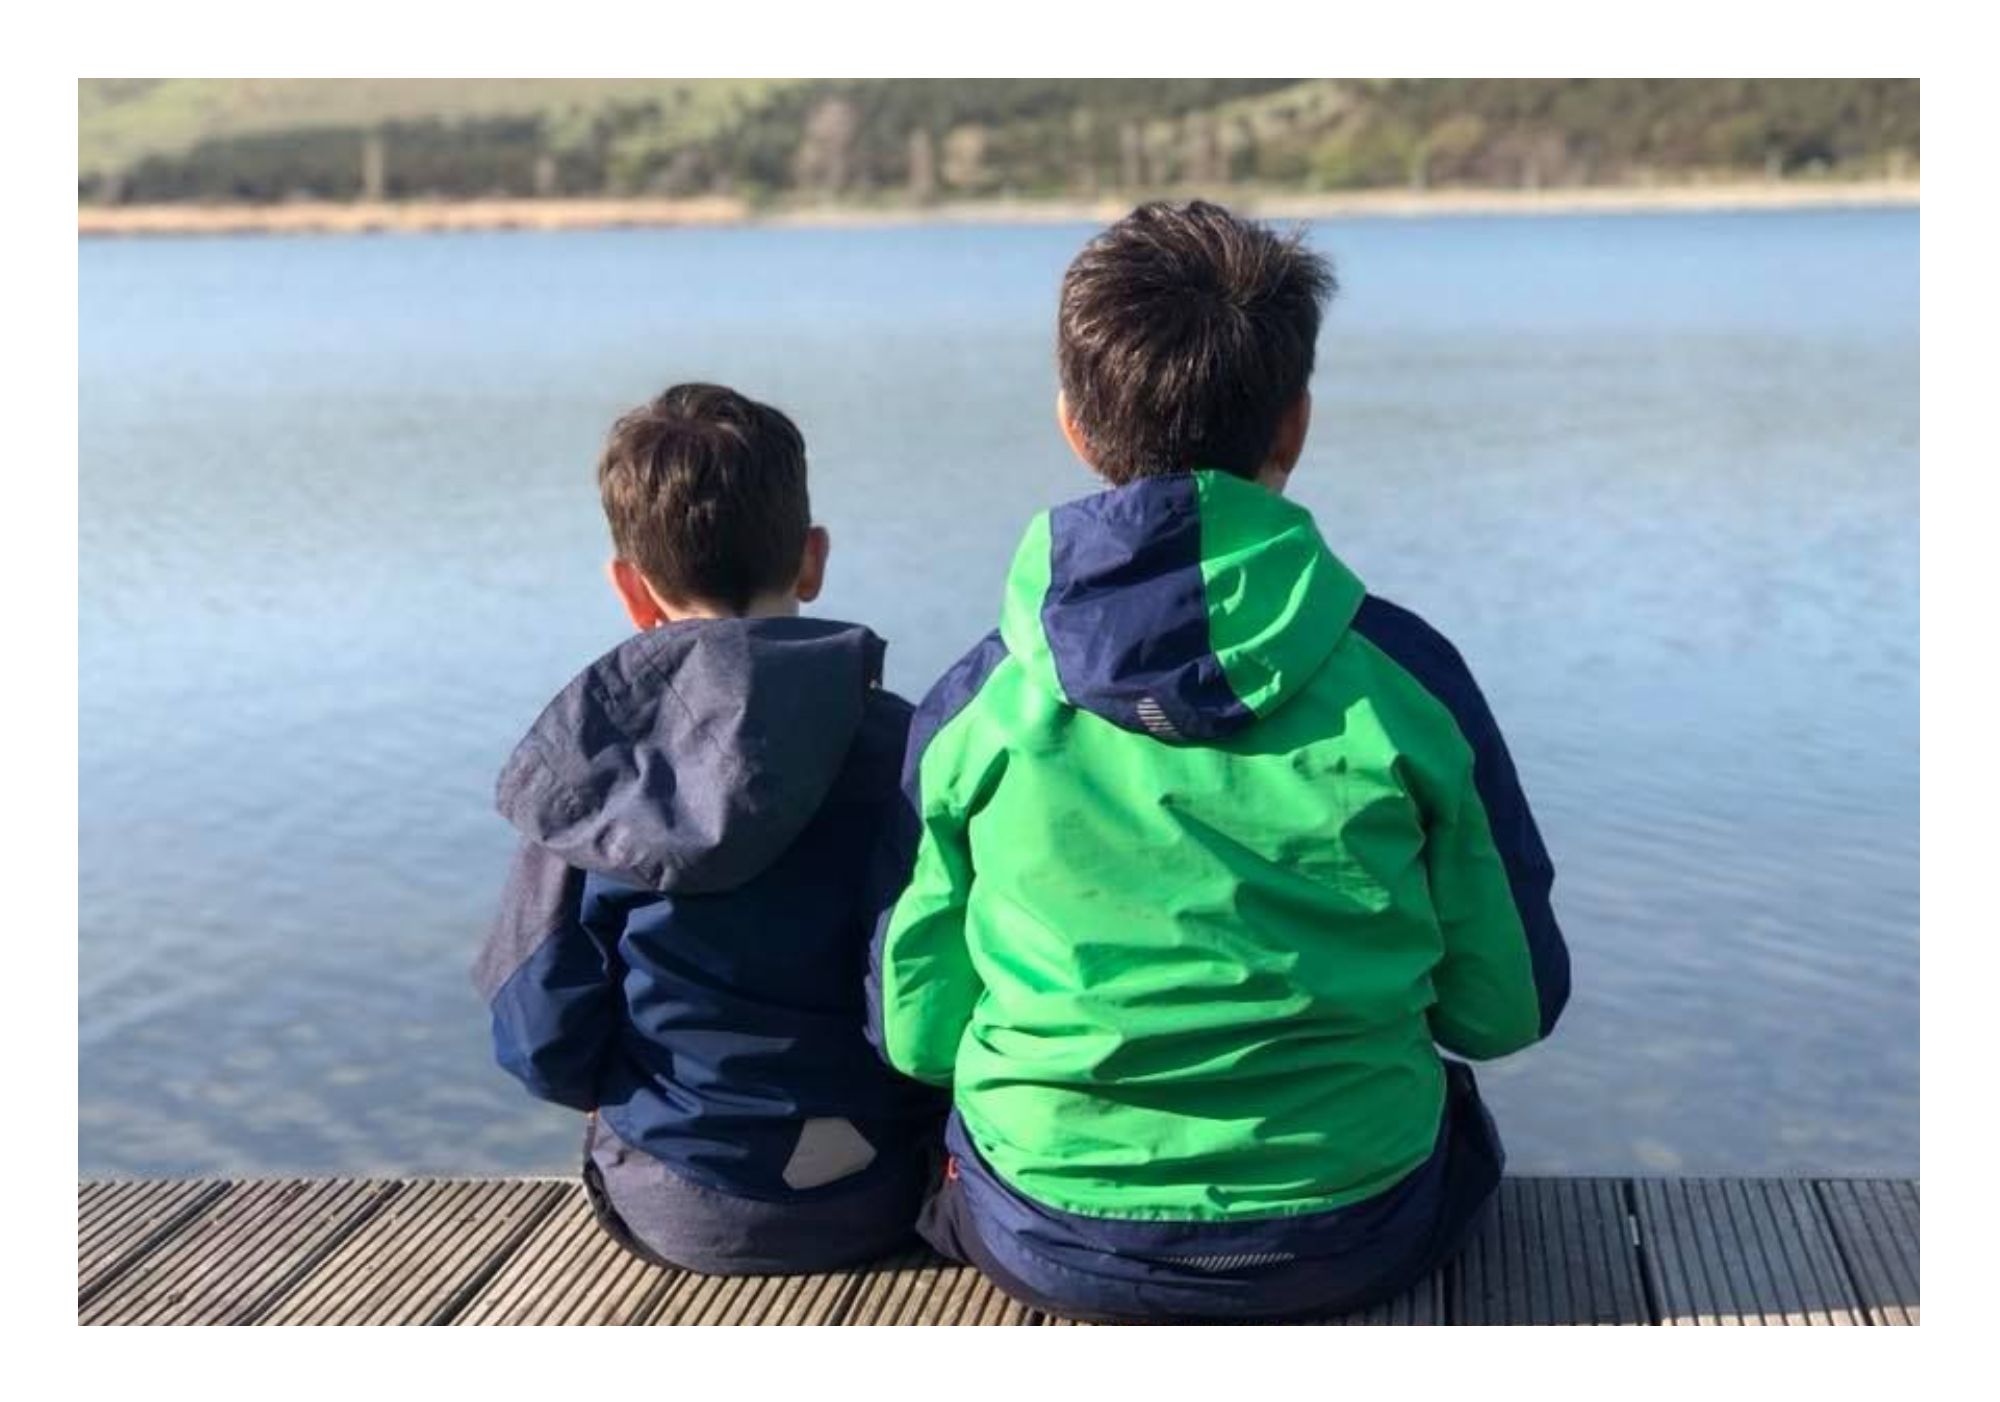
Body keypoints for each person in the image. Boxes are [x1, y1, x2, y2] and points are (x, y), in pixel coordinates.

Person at [868, 202, 1571, 1322]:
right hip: (1352, 1229)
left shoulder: (978, 706)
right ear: (1295, 424)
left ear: (1073, 426)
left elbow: (916, 1034)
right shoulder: (1407, 681)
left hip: (1053, 1234)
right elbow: (1506, 1009)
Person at [475, 383, 944, 1275]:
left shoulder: (593, 776)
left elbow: (539, 1037)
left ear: (631, 589)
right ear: (811, 560)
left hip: (682, 1203)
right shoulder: (913, 747)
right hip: (891, 1186)